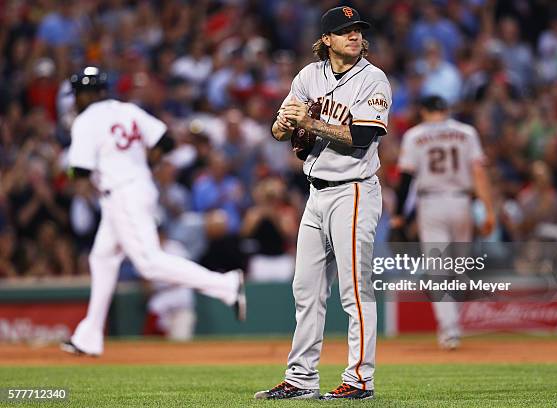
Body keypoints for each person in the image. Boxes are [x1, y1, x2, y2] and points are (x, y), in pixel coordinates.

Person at [60, 66, 246, 357]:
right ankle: (89, 335)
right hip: (134, 189)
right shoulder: (127, 110)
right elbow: (166, 141)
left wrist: (69, 171)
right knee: (102, 259)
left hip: (122, 193)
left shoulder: (85, 120)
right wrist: (143, 162)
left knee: (149, 262)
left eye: (80, 94)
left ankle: (224, 284)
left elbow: (79, 171)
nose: (77, 100)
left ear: (90, 94)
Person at [254, 6, 391, 401]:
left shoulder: (373, 78)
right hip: (315, 193)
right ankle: (300, 378)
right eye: (345, 30)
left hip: (354, 190)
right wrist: (282, 126)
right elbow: (281, 129)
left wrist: (307, 123)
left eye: (358, 30)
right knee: (306, 289)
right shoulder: (308, 75)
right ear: (326, 40)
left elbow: (364, 135)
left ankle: (360, 380)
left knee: (354, 291)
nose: (355, 36)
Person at [394, 95, 495, 350]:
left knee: (438, 269)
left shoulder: (415, 136)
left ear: (424, 112)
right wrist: (488, 210)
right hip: (462, 202)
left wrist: (398, 215)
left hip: (432, 204)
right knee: (459, 269)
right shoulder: (466, 132)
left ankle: (450, 329)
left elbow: (406, 178)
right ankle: (454, 324)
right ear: (446, 110)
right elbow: (479, 173)